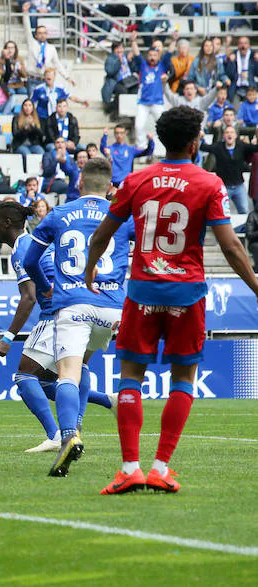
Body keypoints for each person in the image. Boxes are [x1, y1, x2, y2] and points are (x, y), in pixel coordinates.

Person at [85, 106, 258, 494]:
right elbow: (230, 246)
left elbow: (102, 235)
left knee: (131, 376)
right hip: (187, 292)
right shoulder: (209, 183)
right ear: (196, 142)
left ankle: (130, 467)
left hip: (143, 290)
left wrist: (89, 270)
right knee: (183, 378)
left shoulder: (136, 179)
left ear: (163, 140)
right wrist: (256, 286)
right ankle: (161, 467)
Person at [23, 158, 135, 477]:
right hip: (112, 308)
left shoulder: (59, 214)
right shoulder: (122, 216)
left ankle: (69, 435)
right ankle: (86, 426)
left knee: (67, 374)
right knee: (84, 363)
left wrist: (46, 287)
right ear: (111, 187)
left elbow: (31, 260)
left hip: (73, 304)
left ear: (79, 183)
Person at [0, 200, 117, 453]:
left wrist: (7, 338)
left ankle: (56, 434)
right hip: (91, 306)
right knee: (59, 378)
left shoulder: (23, 247)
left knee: (25, 375)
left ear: (7, 222)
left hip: (56, 314)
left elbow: (28, 297)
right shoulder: (31, 243)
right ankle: (107, 402)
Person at [199, 126, 258, 214]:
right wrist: (201, 137)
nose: (229, 134)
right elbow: (204, 147)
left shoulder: (241, 146)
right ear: (224, 136)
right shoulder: (218, 147)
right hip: (224, 187)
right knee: (220, 212)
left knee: (244, 211)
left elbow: (255, 148)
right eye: (227, 132)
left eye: (231, 132)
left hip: (239, 186)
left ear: (235, 135)